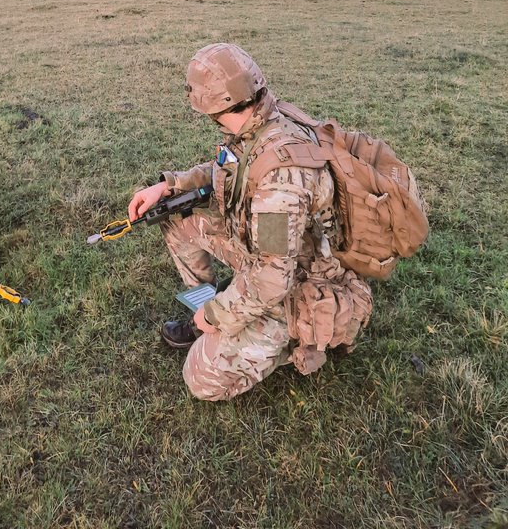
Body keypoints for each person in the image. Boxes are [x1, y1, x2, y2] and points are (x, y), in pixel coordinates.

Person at [127, 43, 373, 402]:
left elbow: (274, 277)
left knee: (200, 376)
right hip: (269, 251)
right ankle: (216, 306)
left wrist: (216, 316)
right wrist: (169, 185)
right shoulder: (260, 120)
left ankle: (300, 336)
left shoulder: (280, 182)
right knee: (176, 221)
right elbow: (228, 170)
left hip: (298, 280)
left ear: (217, 108)